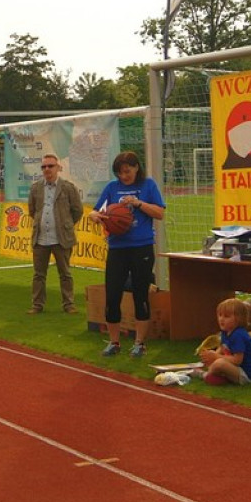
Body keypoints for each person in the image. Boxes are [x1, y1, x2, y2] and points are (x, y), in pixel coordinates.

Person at [87, 151, 166, 358]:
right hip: (117, 248)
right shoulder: (112, 188)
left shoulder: (148, 185)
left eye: (127, 171)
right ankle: (114, 342)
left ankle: (139, 343)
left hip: (142, 247)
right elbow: (94, 211)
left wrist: (139, 203)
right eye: (120, 173)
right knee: (112, 295)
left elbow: (160, 213)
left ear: (136, 167)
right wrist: (96, 216)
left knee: (140, 295)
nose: (124, 176)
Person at [26, 153, 84, 315]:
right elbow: (32, 210)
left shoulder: (68, 187)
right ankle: (37, 305)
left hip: (62, 238)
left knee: (65, 273)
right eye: (44, 167)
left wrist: (65, 225)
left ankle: (69, 304)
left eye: (50, 166)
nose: (47, 169)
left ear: (58, 168)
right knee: (38, 275)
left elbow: (77, 210)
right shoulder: (36, 188)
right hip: (41, 238)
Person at [196, 298, 251, 386]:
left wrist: (215, 357)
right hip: (235, 368)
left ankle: (205, 375)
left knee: (220, 363)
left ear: (239, 319)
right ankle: (219, 377)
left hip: (245, 373)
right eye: (220, 315)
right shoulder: (225, 331)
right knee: (215, 362)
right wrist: (211, 357)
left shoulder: (239, 335)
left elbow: (237, 360)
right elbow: (222, 348)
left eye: (226, 316)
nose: (221, 319)